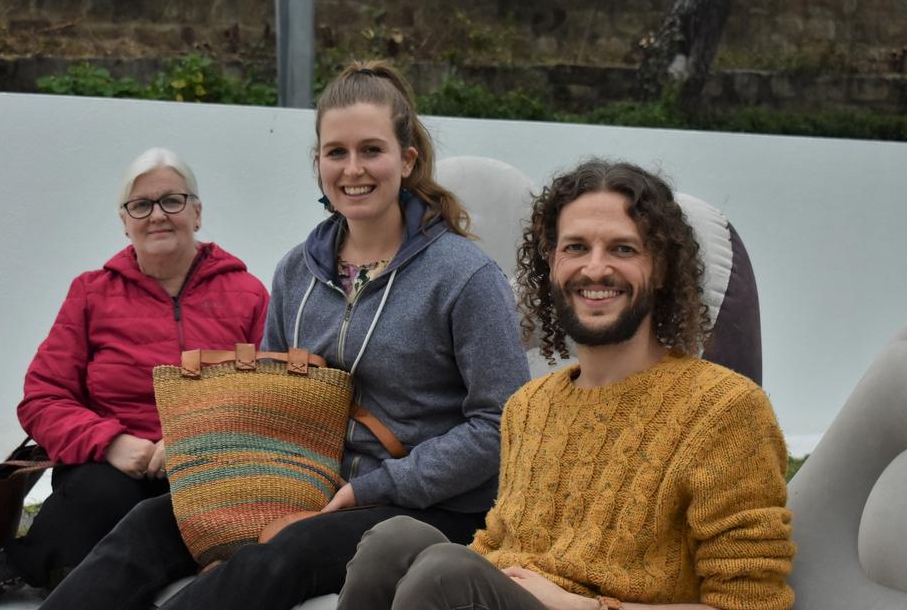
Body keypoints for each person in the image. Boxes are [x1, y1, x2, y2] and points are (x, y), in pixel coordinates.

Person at [36, 61, 531, 610]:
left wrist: (374, 487)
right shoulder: (298, 270)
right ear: (318, 162)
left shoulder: (464, 276)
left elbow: (498, 426)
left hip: (430, 507)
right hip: (306, 483)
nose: (353, 169)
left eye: (372, 150)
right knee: (151, 522)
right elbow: (267, 398)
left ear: (406, 159)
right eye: (336, 152)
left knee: (279, 556)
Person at [336, 159, 796, 610]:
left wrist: (584, 606)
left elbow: (752, 604)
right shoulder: (529, 406)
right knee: (395, 540)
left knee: (445, 573)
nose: (595, 269)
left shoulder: (725, 410)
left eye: (623, 249)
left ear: (660, 269)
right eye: (576, 248)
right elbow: (497, 546)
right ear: (550, 266)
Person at [0, 148, 269, 610]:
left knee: (190, 511)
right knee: (103, 496)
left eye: (172, 201)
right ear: (124, 221)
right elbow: (41, 398)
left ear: (197, 213)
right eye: (142, 205)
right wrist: (113, 443)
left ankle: (61, 560)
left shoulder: (247, 294)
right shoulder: (91, 293)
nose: (158, 215)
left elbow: (270, 395)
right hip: (111, 468)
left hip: (208, 467)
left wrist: (198, 445)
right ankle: (31, 561)